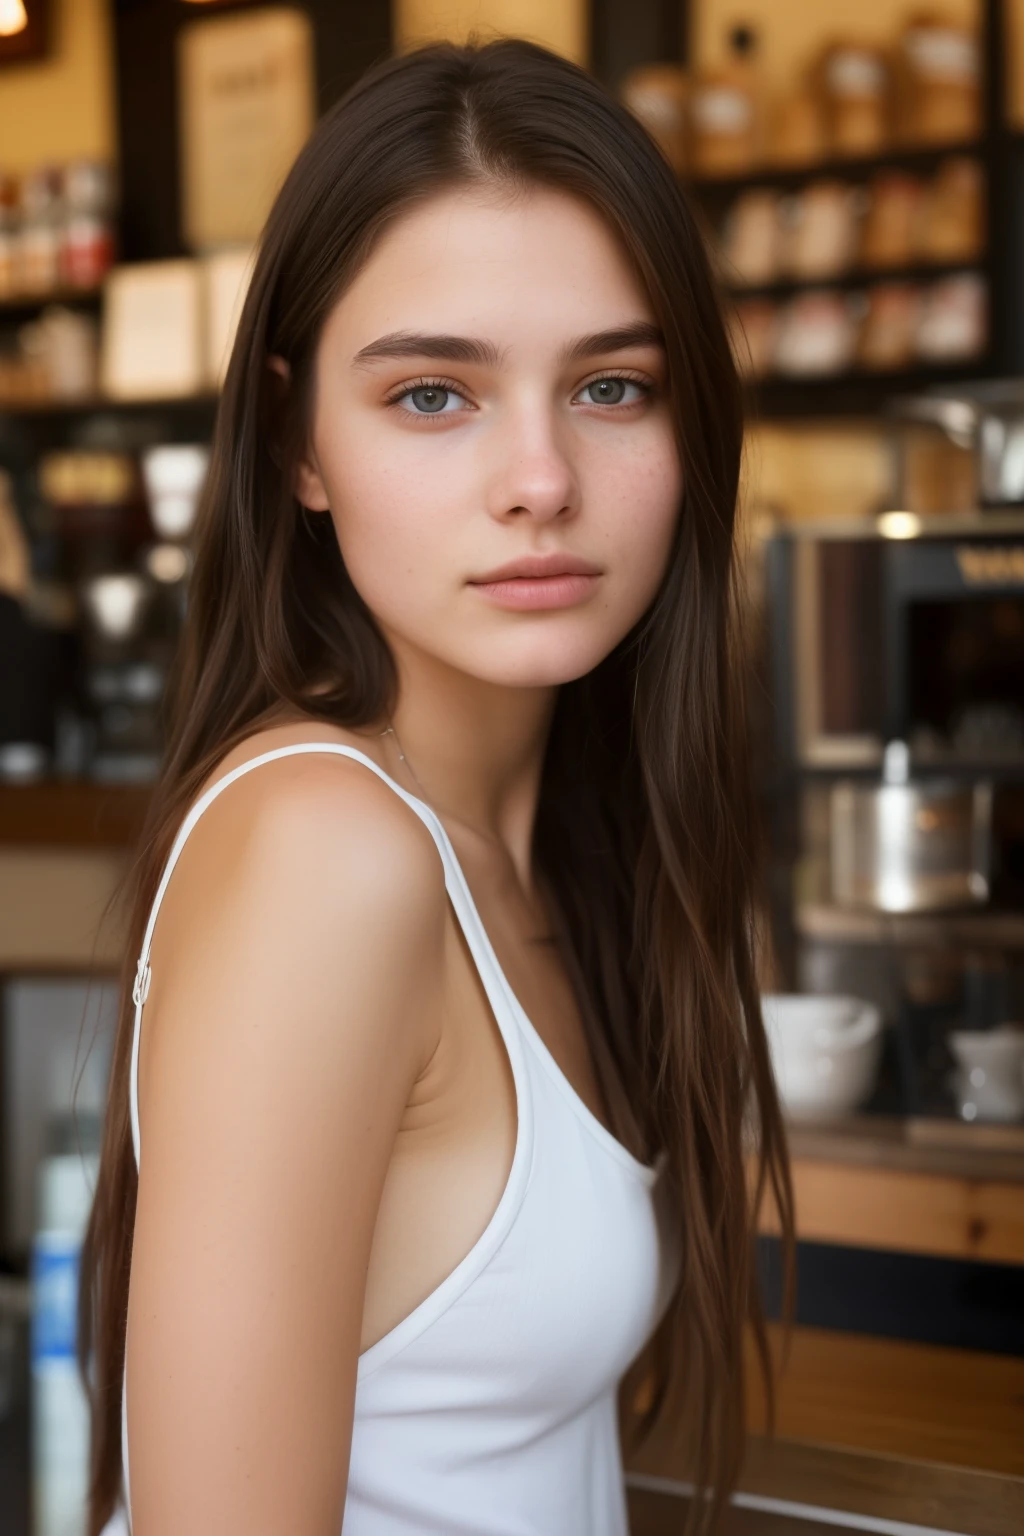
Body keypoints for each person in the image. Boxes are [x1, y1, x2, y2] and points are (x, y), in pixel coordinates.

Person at [81, 39, 792, 1536]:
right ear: (298, 443)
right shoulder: (327, 851)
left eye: (612, 384)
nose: (540, 476)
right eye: (431, 396)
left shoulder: (552, 844)